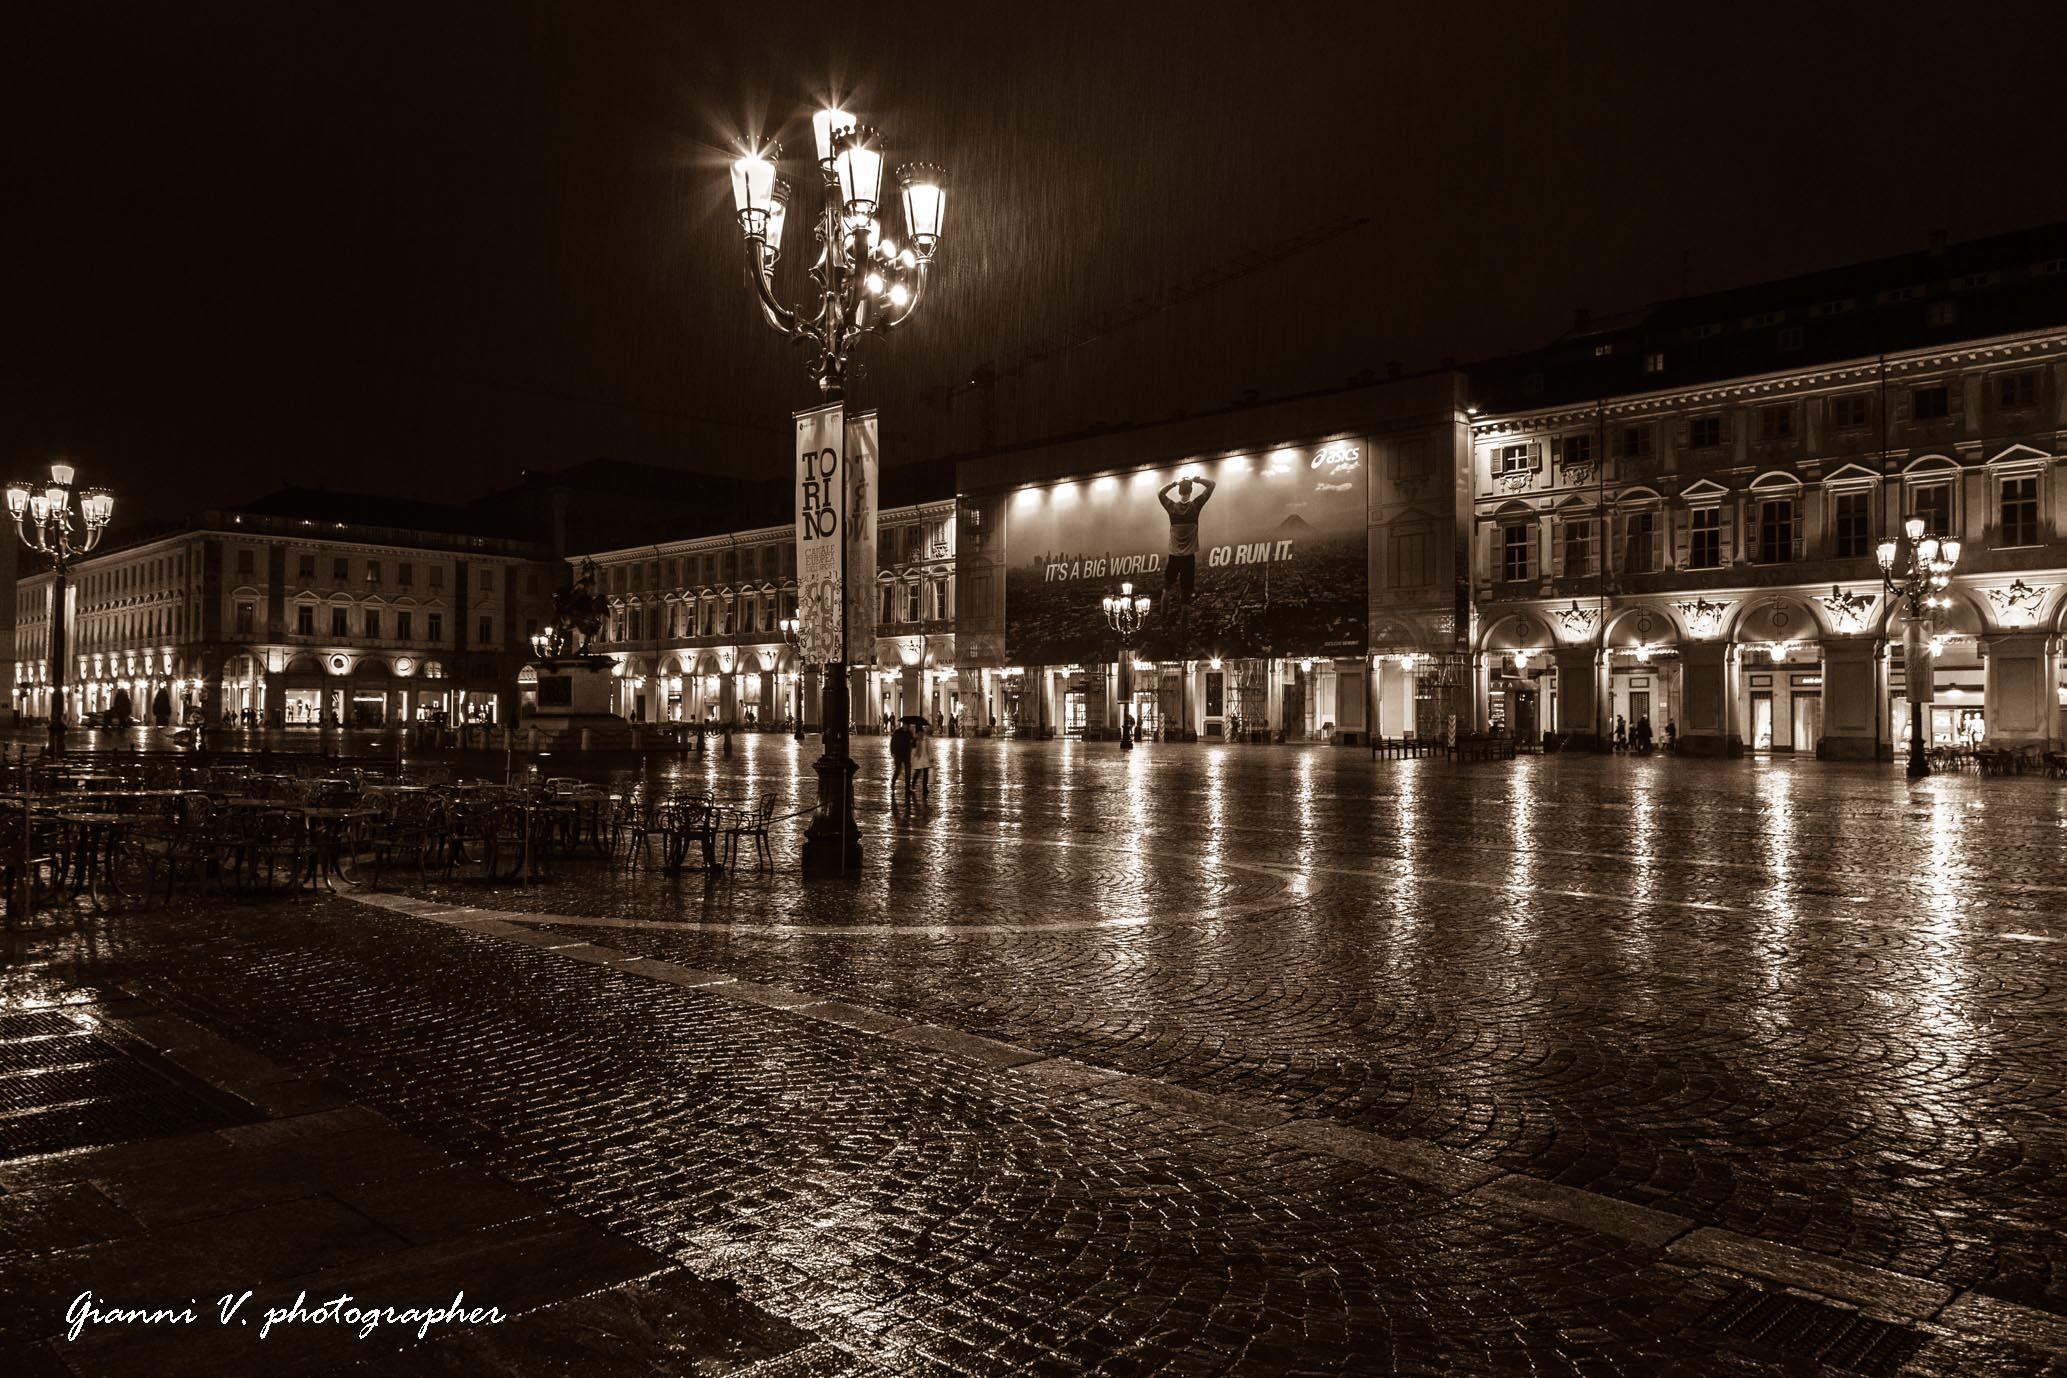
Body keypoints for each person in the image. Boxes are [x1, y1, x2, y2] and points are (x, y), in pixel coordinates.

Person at [1157, 475, 1217, 604]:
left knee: (1166, 589)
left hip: (1174, 557)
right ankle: (1184, 625)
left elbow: (1160, 492)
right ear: (1190, 492)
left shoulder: (1172, 508)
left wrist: (1174, 483)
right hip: (1189, 558)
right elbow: (1212, 484)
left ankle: (1164, 620)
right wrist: (1197, 479)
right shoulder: (1195, 507)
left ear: (1179, 493)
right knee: (1186, 598)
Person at [909, 720, 934, 803]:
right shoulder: (915, 739)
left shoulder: (925, 739)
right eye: (920, 732)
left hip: (925, 758)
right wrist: (914, 741)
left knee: (925, 773)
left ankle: (924, 788)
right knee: (918, 772)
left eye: (922, 732)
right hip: (919, 758)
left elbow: (929, 748)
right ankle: (913, 784)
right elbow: (913, 748)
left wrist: (931, 757)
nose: (921, 734)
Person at [890, 719, 914, 800]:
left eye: (908, 725)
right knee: (898, 770)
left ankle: (907, 789)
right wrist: (892, 752)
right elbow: (892, 742)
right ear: (903, 725)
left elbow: (913, 745)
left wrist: (914, 741)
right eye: (906, 725)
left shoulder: (910, 733)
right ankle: (893, 783)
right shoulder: (897, 732)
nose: (907, 727)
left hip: (907, 755)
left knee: (908, 773)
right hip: (898, 755)